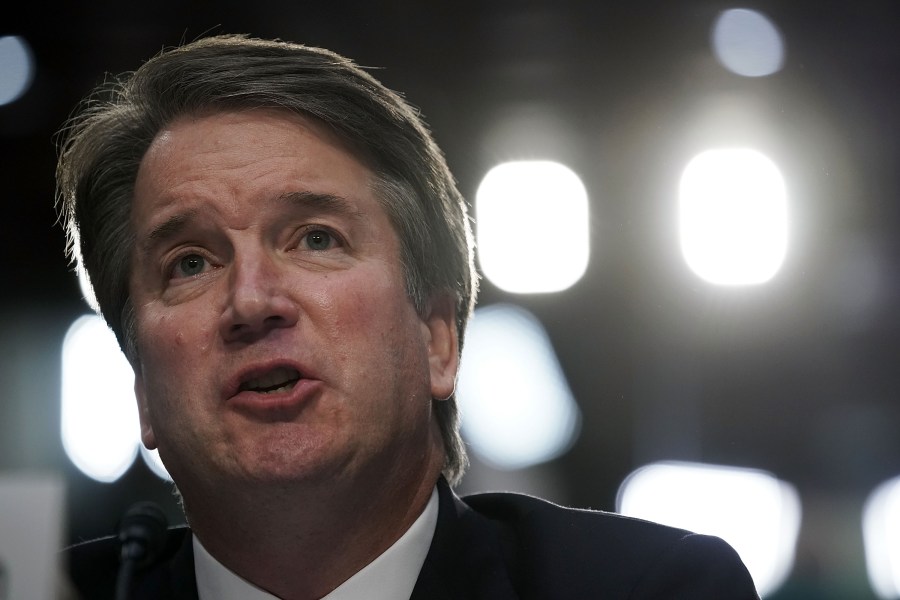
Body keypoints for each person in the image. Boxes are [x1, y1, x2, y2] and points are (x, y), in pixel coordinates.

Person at [57, 34, 760, 599]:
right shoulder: (47, 589)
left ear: (439, 338)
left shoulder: (651, 589)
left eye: (315, 239)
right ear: (143, 386)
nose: (251, 301)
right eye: (190, 263)